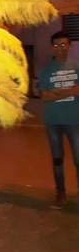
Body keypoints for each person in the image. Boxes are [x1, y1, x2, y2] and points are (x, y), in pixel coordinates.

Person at [38, 30, 79, 209]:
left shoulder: (76, 66)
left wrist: (56, 92)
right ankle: (60, 193)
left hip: (74, 121)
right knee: (57, 159)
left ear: (69, 45)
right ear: (52, 47)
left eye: (63, 44)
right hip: (53, 122)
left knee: (78, 159)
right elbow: (44, 96)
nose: (60, 48)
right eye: (56, 45)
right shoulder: (46, 70)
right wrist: (71, 91)